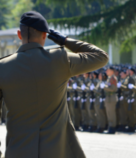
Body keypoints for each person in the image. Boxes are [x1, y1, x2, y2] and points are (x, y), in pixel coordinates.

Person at [2, 11, 108, 158]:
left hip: (18, 151)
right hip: (57, 151)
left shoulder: (3, 67)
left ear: (20, 35)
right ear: (45, 35)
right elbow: (101, 57)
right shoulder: (60, 60)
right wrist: (64, 40)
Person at [103, 66, 118, 134]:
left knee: (111, 114)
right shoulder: (109, 78)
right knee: (109, 113)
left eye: (108, 70)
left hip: (111, 97)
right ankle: (110, 127)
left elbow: (113, 88)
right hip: (108, 97)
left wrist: (105, 87)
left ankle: (112, 128)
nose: (106, 72)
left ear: (112, 71)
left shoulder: (113, 78)